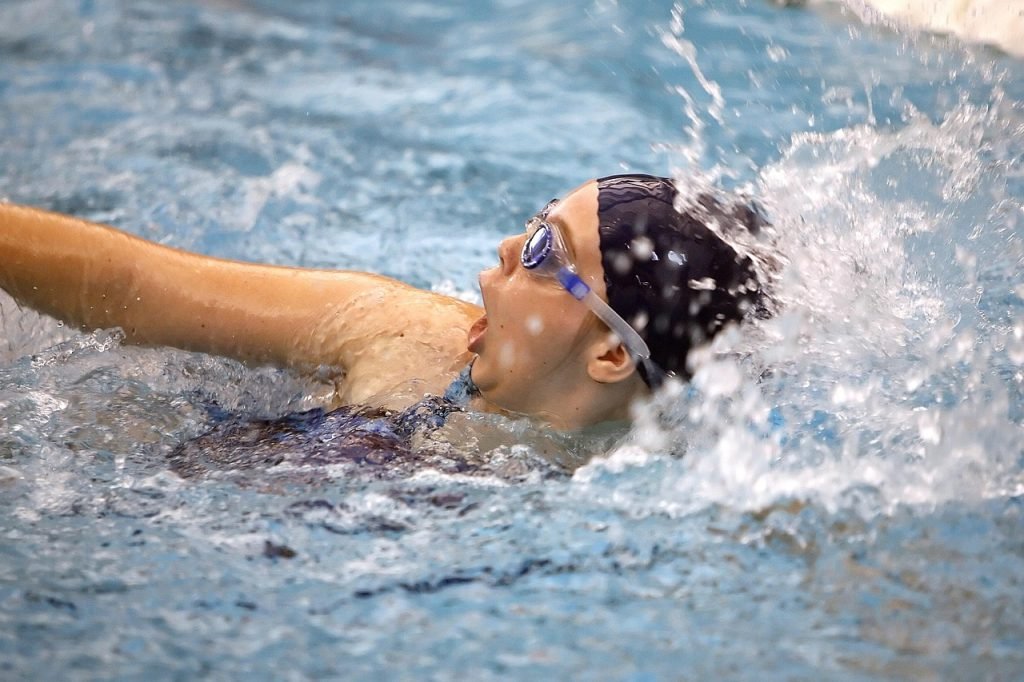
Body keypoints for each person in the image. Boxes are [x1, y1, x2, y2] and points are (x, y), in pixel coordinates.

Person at [0, 174, 768, 430]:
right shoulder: (398, 336)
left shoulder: (633, 502)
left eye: (545, 252)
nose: (508, 247)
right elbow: (135, 288)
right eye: (534, 221)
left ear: (610, 351)